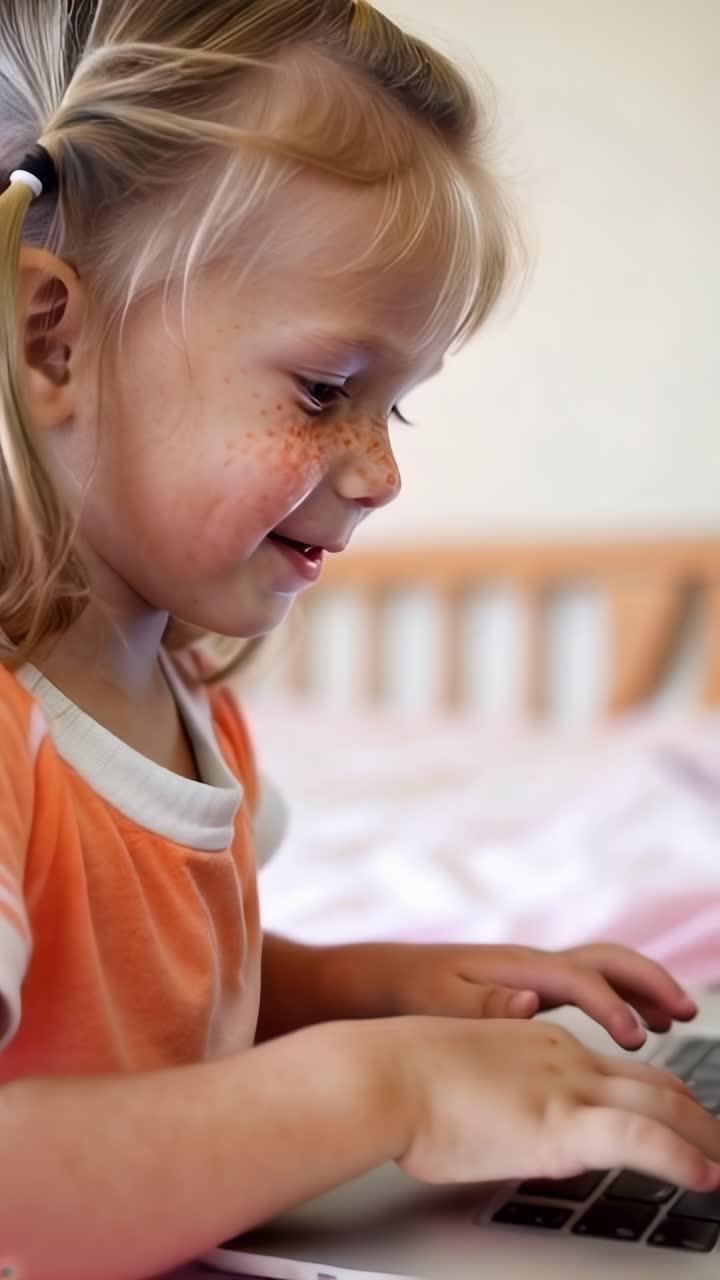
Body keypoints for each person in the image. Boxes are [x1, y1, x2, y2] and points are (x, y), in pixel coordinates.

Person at [0, 3, 718, 1278]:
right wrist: (377, 1091)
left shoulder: (177, 688)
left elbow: (147, 1006)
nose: (380, 473)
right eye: (327, 390)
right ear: (54, 335)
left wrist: (379, 992)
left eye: (401, 409)